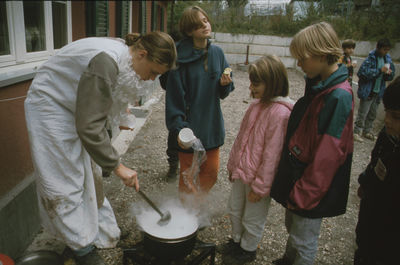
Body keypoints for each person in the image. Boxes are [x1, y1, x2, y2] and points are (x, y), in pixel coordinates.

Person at [24, 32, 176, 265]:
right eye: (153, 72)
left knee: (90, 174)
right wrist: (117, 166)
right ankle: (81, 248)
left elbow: (107, 94)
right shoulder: (106, 61)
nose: (150, 79)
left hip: (73, 105)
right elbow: (89, 126)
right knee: (64, 181)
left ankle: (104, 231)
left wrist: (120, 117)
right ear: (142, 54)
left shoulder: (126, 56)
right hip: (50, 106)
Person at [270, 22, 354, 265]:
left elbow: (330, 153)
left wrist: (307, 191)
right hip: (300, 175)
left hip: (313, 184)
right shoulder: (319, 84)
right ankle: (288, 258)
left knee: (305, 237)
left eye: (302, 58)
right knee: (294, 228)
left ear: (320, 53)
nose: (299, 64)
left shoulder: (338, 96)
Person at [219, 55, 293, 264]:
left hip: (258, 181)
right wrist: (233, 165)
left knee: (253, 217)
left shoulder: (280, 114)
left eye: (257, 83)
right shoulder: (255, 105)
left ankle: (248, 249)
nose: (252, 87)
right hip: (242, 172)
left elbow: (273, 156)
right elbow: (241, 139)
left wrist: (260, 188)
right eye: (252, 82)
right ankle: (236, 240)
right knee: (234, 208)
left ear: (274, 82)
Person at [165, 6, 234, 197]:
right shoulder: (178, 59)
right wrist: (180, 129)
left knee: (211, 173)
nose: (205, 26)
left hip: (212, 127)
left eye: (205, 20)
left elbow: (224, 92)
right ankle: (186, 218)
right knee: (188, 176)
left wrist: (224, 84)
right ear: (188, 31)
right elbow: (174, 99)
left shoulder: (217, 53)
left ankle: (198, 208)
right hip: (189, 130)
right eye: (198, 25)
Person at [354, 76, 400, 265]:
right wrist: (365, 182)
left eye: (396, 116)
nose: (386, 120)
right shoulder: (387, 135)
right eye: (386, 112)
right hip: (370, 223)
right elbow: (375, 161)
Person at [354, 38, 395, 142]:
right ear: (378, 48)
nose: (386, 52)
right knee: (363, 113)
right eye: (384, 49)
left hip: (379, 90)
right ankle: (356, 132)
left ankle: (367, 131)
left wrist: (389, 74)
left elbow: (391, 76)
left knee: (372, 113)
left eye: (387, 50)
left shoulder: (387, 59)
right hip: (368, 90)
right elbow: (362, 73)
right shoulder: (370, 59)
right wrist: (379, 71)